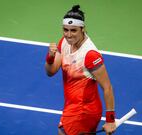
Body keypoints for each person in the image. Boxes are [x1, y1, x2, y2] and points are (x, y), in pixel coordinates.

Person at [45, 5, 116, 135]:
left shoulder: (90, 55)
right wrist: (50, 57)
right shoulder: (64, 42)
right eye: (65, 30)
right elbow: (50, 72)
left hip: (84, 111)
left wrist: (110, 119)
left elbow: (107, 87)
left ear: (83, 29)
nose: (68, 35)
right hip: (72, 106)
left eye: (73, 30)